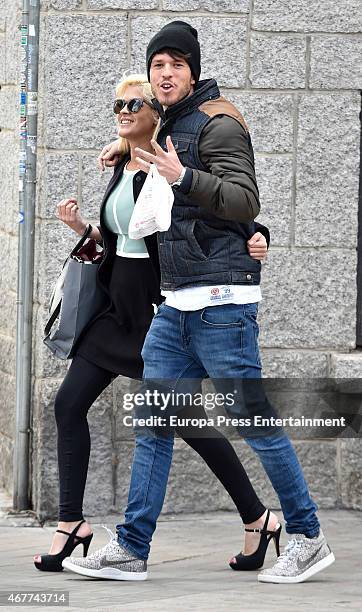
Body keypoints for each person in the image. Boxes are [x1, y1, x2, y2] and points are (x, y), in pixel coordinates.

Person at [63, 22, 335, 584]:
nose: (165, 74)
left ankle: (308, 536)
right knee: (155, 425)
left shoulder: (219, 123)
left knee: (254, 423)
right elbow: (142, 141)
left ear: (193, 69)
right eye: (158, 65)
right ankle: (132, 549)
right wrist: (127, 149)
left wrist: (183, 177)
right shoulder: (173, 124)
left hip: (222, 304)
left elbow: (243, 198)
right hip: (175, 306)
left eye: (176, 65)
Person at [33, 72, 276, 574]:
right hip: (112, 315)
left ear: (155, 112)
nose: (122, 111)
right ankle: (71, 525)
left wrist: (259, 235)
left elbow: (221, 211)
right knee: (68, 404)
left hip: (156, 316)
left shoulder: (170, 162)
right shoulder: (122, 162)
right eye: (117, 104)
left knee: (185, 424)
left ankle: (258, 518)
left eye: (133, 103)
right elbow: (120, 240)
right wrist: (84, 230)